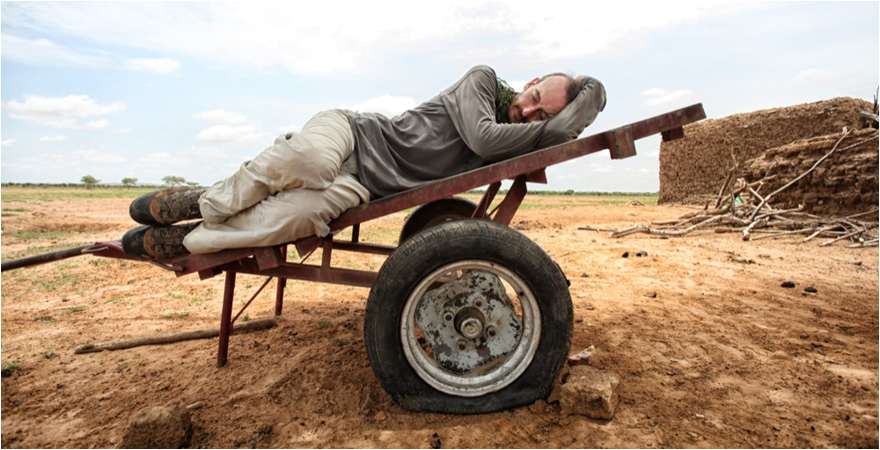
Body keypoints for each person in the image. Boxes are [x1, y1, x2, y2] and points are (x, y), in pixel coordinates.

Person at [122, 65, 606, 260]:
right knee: (310, 160)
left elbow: (548, 132)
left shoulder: (522, 137)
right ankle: (201, 201)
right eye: (535, 97)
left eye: (543, 115)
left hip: (369, 187)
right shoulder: (482, 82)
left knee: (300, 216)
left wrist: (572, 110)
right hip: (355, 134)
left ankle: (186, 239)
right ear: (531, 79)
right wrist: (582, 97)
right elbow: (483, 138)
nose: (529, 111)